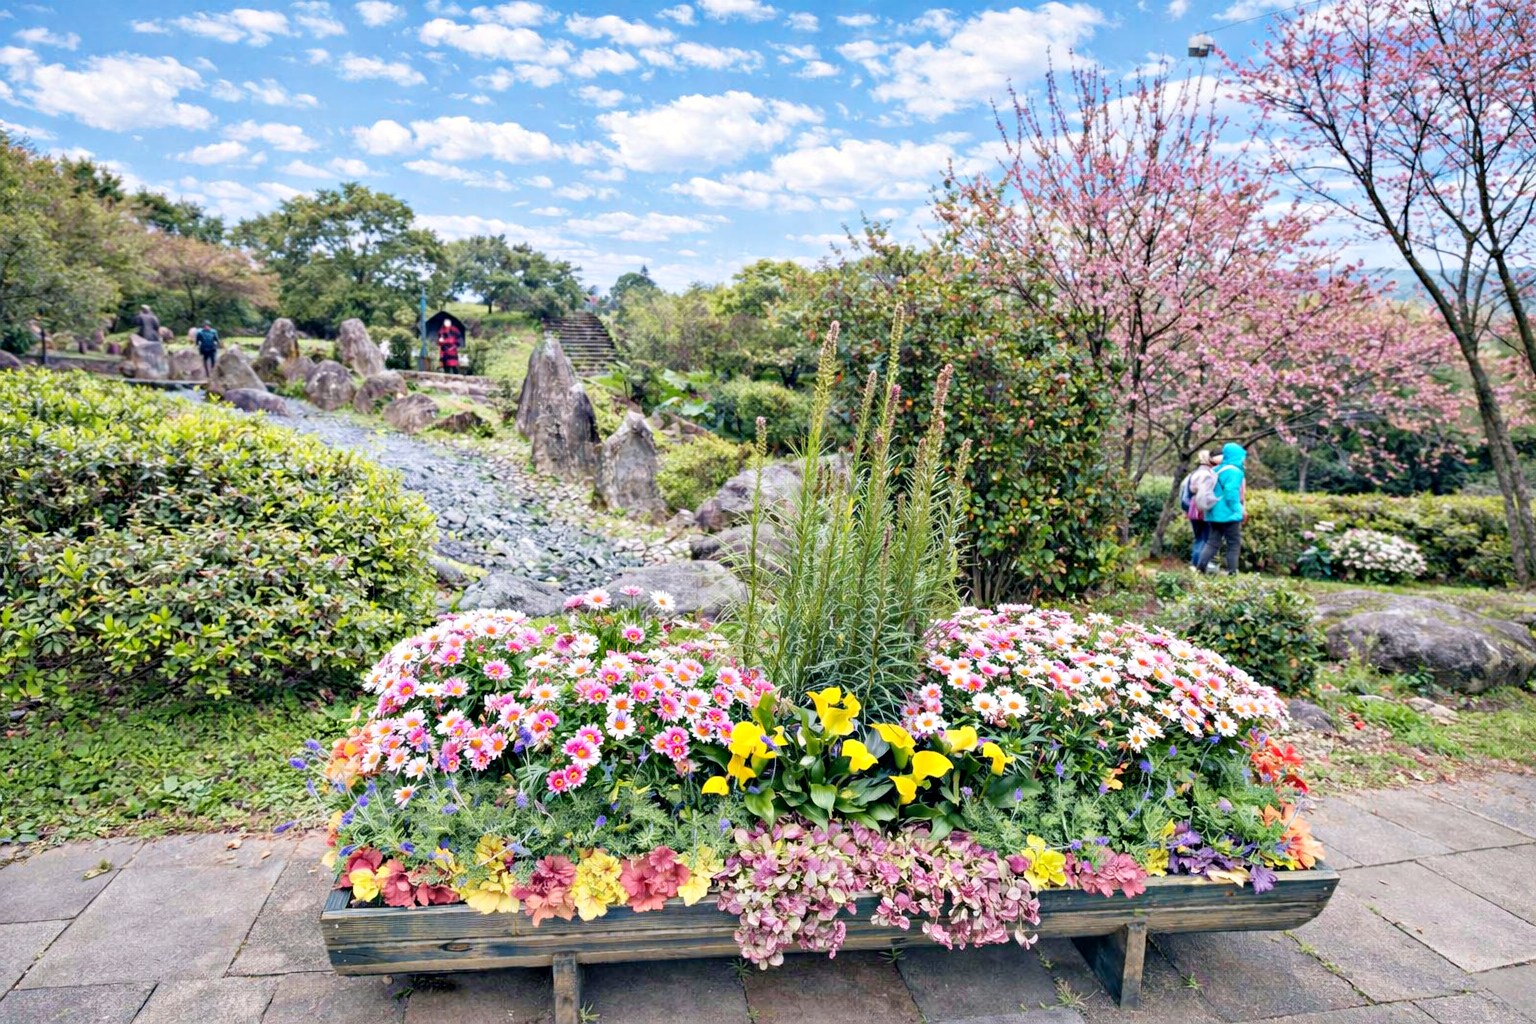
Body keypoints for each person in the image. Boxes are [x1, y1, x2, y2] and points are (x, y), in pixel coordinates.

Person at [1195, 442, 1247, 574]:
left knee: (1212, 543)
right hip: (1228, 514)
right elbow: (1231, 493)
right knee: (1234, 544)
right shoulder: (1235, 472)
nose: (1243, 459)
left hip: (1213, 512)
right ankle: (1232, 573)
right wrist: (1239, 510)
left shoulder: (1215, 470)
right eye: (1241, 456)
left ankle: (1200, 569)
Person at [1179, 450, 1219, 567]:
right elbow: (1206, 494)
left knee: (1199, 538)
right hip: (1203, 509)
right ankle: (1199, 565)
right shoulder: (1208, 474)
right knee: (1205, 538)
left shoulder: (1193, 474)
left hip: (1192, 509)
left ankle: (1195, 564)